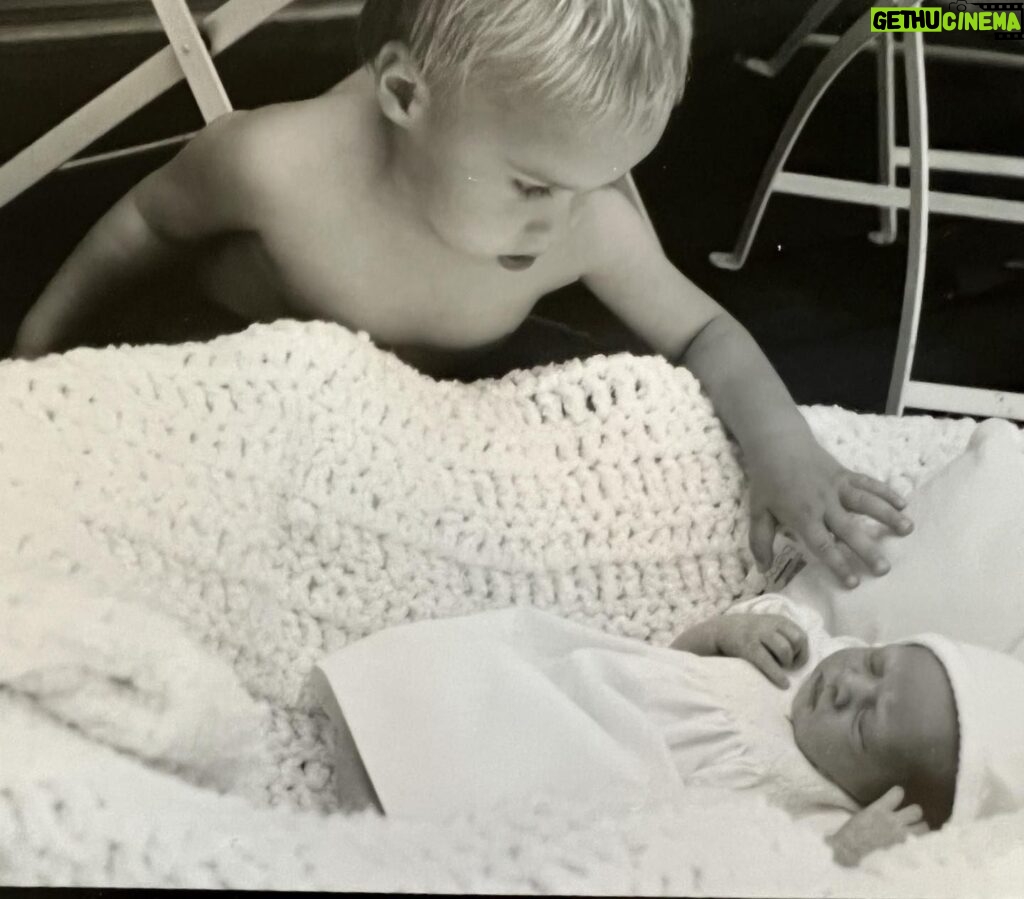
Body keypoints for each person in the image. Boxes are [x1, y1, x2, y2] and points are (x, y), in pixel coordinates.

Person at [13, 0, 913, 587]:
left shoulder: (583, 224)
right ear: (405, 94)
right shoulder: (277, 166)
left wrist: (783, 447)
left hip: (425, 407)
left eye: (600, 180)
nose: (562, 218)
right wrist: (30, 359)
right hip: (230, 357)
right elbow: (144, 229)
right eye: (532, 184)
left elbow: (705, 331)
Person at [314, 600, 975, 867]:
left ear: (871, 794)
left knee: (510, 794)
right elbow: (673, 659)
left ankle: (394, 829)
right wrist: (720, 634)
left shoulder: (822, 808)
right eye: (873, 663)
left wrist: (845, 851)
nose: (847, 686)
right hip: (581, 690)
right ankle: (389, 741)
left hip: (609, 778)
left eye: (863, 723)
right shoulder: (793, 657)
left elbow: (779, 874)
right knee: (462, 675)